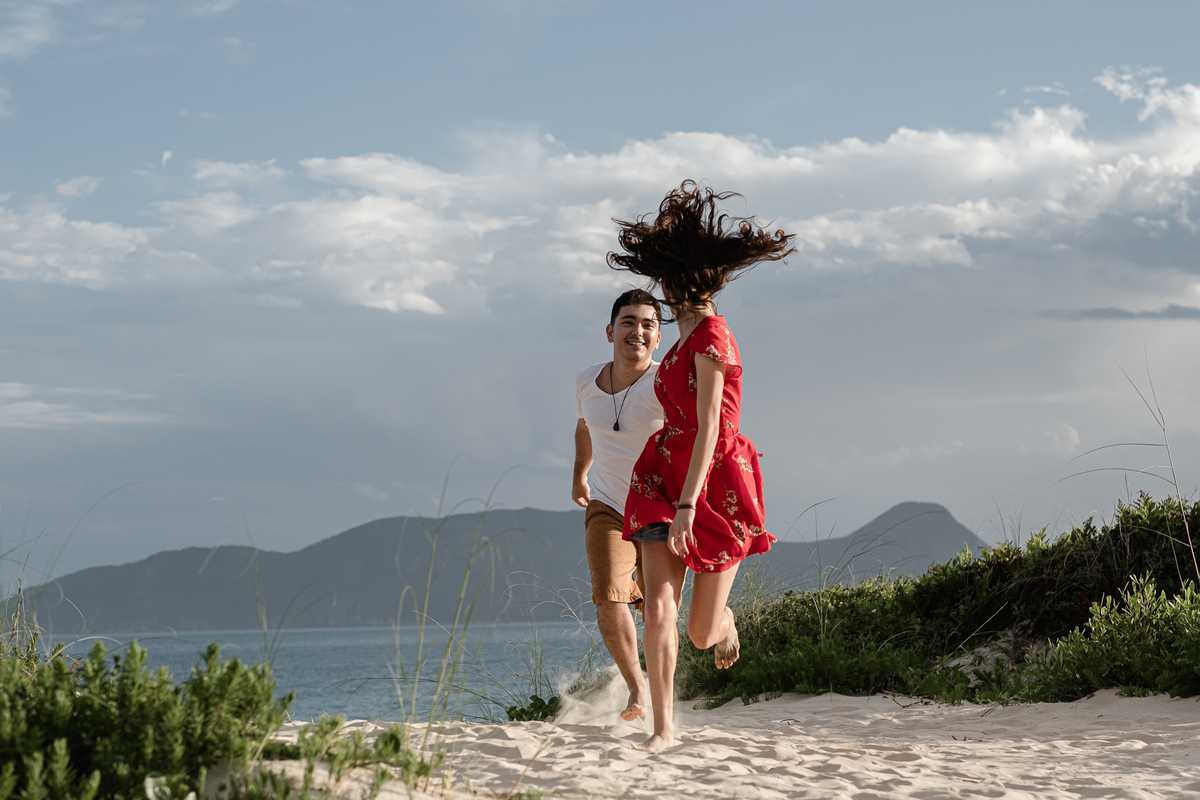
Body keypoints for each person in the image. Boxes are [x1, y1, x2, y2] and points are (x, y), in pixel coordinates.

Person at [608, 181, 796, 752]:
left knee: (698, 631)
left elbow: (713, 426)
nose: (663, 288)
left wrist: (690, 504)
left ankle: (726, 624)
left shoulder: (714, 334)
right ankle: (664, 729)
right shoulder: (681, 334)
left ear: (683, 279)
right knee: (659, 608)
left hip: (716, 483)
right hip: (661, 475)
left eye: (667, 278)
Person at [573, 288, 666, 721]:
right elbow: (584, 427)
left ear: (658, 337)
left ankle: (720, 615)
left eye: (648, 323)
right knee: (609, 595)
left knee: (659, 608)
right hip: (608, 503)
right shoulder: (586, 380)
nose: (638, 331)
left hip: (659, 506)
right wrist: (580, 474)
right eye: (629, 322)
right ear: (611, 331)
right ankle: (637, 688)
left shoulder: (666, 383)